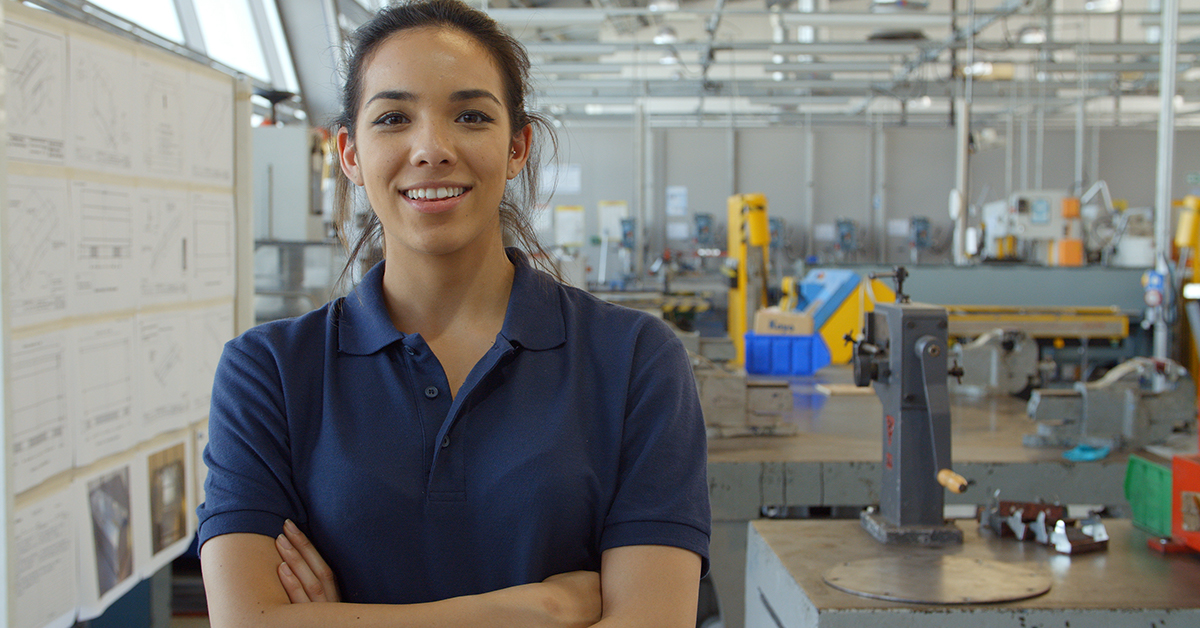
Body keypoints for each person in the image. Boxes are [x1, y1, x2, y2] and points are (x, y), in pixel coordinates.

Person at [196, 1, 710, 626]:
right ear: (350, 154)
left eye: (470, 115)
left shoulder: (634, 360)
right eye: (392, 118)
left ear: (517, 144)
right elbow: (244, 622)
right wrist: (538, 609)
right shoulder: (269, 372)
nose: (432, 148)